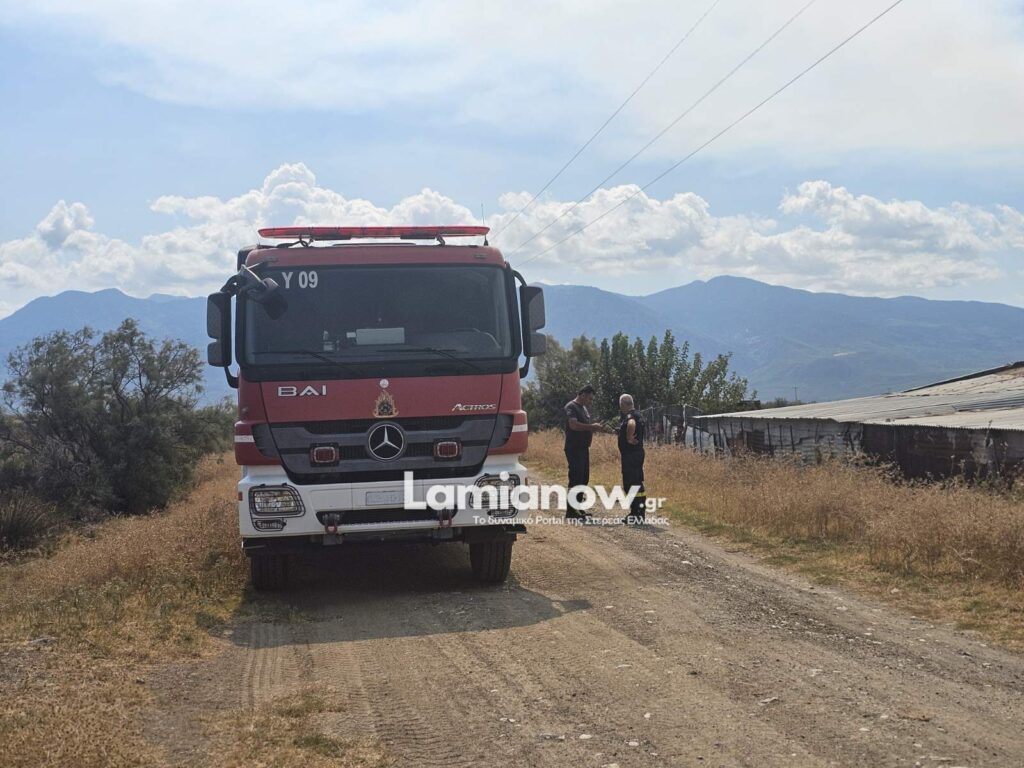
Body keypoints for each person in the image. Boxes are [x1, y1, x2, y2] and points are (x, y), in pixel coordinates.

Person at [563, 385, 612, 519]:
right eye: (589, 398)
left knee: (583, 478)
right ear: (583, 394)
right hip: (574, 448)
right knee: (576, 478)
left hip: (583, 448)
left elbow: (584, 426)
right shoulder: (571, 407)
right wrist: (591, 427)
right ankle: (571, 511)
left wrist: (595, 427)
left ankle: (578, 507)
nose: (590, 401)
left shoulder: (583, 408)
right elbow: (573, 425)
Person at [617, 394, 647, 525]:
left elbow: (631, 423)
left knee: (630, 484)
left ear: (623, 404)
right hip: (637, 454)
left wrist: (628, 437)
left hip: (630, 455)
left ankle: (635, 513)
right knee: (638, 482)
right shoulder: (639, 415)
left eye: (621, 405)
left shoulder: (630, 416)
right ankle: (640, 511)